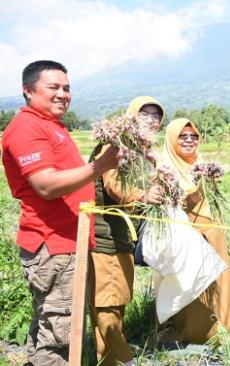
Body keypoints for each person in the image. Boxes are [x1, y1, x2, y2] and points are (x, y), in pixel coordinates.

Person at [1, 60, 119, 365]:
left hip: (67, 242)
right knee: (61, 336)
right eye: (53, 87)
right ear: (28, 91)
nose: (63, 94)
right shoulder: (26, 127)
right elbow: (45, 184)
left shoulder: (51, 125)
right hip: (53, 245)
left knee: (50, 325)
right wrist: (99, 167)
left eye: (67, 88)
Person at [86, 96, 165, 366]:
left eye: (156, 115)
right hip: (104, 238)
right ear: (131, 117)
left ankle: (107, 361)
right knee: (107, 306)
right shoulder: (114, 146)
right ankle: (126, 360)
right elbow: (116, 187)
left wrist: (155, 165)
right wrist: (144, 196)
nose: (152, 120)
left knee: (115, 304)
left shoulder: (139, 152)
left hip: (122, 239)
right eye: (145, 114)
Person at [158, 118, 230, 343]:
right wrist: (196, 190)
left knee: (218, 285)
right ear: (171, 140)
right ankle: (194, 334)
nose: (189, 140)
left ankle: (225, 332)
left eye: (193, 136)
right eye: (182, 136)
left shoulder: (201, 165)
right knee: (191, 290)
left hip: (212, 236)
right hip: (185, 240)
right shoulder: (165, 170)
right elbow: (170, 207)